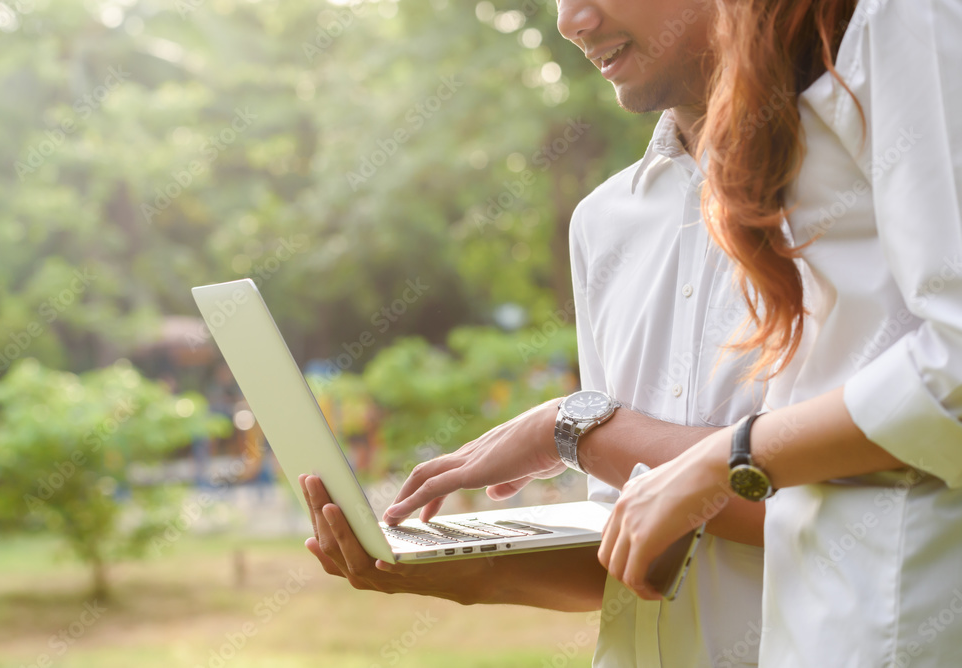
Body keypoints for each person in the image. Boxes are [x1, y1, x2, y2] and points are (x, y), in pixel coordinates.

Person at [301, 2, 769, 666]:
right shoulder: (605, 223)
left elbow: (861, 494)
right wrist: (455, 570)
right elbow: (633, 548)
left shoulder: (859, 189)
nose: (570, 19)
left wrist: (576, 429)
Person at [598, 0, 962, 665]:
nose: (571, 19)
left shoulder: (905, 16)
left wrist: (724, 459)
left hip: (909, 609)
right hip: (832, 616)